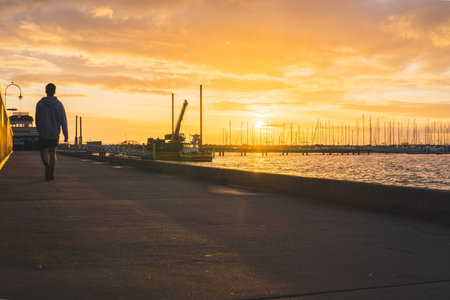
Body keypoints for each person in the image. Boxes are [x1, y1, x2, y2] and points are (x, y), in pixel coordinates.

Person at [35, 83, 68, 181]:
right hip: (54, 133)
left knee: (43, 152)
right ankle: (51, 172)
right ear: (54, 91)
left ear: (46, 91)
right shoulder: (59, 104)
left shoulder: (40, 104)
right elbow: (63, 121)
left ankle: (47, 167)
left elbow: (37, 119)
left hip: (43, 133)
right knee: (53, 153)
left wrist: (39, 130)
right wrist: (65, 135)